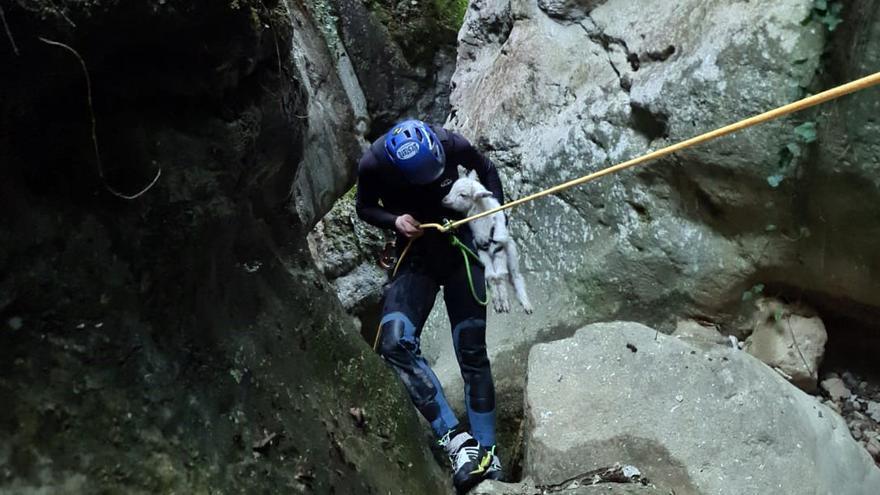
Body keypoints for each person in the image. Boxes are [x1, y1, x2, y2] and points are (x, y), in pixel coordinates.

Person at [356, 119, 504, 493]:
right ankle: (457, 443)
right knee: (393, 341)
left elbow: (486, 168)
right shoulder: (373, 165)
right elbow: (364, 208)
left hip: (458, 246)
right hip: (415, 254)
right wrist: (394, 220)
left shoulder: (450, 142)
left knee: (471, 350)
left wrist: (494, 214)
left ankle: (488, 453)